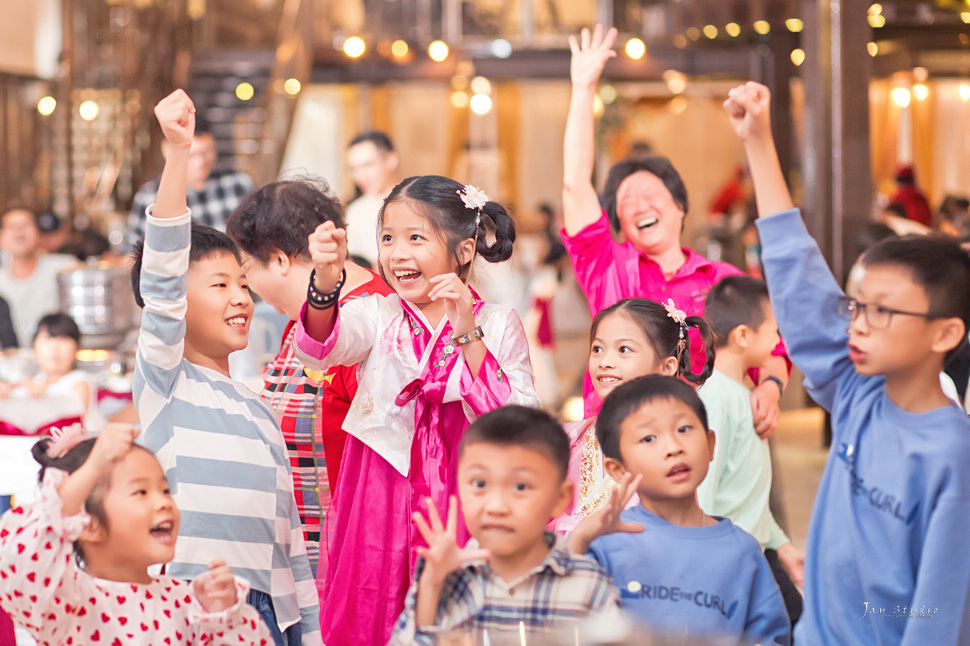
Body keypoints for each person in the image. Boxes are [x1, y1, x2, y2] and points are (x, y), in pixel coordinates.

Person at [727, 80, 970, 644]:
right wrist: (759, 142)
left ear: (947, 333)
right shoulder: (859, 391)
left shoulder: (953, 455)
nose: (857, 323)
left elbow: (939, 616)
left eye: (882, 312)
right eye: (856, 306)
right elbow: (799, 281)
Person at [295, 175, 537, 644]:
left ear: (463, 251)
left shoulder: (498, 322)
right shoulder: (379, 314)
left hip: (468, 499)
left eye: (415, 238)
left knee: (464, 618)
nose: (397, 254)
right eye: (387, 238)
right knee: (373, 611)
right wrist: (326, 283)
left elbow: (519, 421)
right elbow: (321, 347)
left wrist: (466, 329)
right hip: (379, 495)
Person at [129, 89, 320, 645]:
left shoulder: (260, 407)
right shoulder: (166, 382)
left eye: (243, 284)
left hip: (268, 611)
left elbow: (292, 547)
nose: (241, 297)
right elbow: (163, 277)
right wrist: (177, 153)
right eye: (219, 285)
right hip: (189, 594)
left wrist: (308, 633)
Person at [561, 25, 790, 429]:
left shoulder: (723, 282)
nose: (639, 205)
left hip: (699, 442)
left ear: (679, 207)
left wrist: (770, 387)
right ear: (618, 225)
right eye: (626, 203)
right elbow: (576, 185)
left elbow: (772, 343)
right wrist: (583, 87)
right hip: (616, 437)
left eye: (651, 194)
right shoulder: (606, 266)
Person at [225, 178, 393, 576]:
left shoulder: (375, 322)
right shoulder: (298, 324)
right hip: (307, 553)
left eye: (246, 270)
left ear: (281, 261)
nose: (248, 289)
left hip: (358, 557)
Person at [0, 422, 273, 644]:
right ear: (87, 523)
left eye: (165, 490)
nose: (164, 502)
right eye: (141, 492)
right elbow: (22, 554)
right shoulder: (69, 603)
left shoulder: (187, 601)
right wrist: (94, 467)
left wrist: (222, 619)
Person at [568, 375, 790, 644]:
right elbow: (558, 614)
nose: (673, 448)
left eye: (684, 429)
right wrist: (580, 538)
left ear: (710, 444)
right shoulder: (604, 544)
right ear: (618, 469)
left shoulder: (743, 552)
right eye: (649, 438)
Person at [389, 406, 619, 642]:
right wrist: (431, 587)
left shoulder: (587, 583)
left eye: (520, 486)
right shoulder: (447, 576)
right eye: (479, 484)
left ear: (559, 498)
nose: (496, 506)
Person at [552, 297, 714, 534]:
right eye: (597, 349)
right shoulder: (564, 440)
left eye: (624, 349)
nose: (605, 361)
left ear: (667, 367)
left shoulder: (671, 452)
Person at [698, 275, 803, 627]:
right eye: (773, 330)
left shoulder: (745, 391)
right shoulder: (717, 399)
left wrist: (781, 543)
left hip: (757, 550)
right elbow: (704, 490)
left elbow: (748, 490)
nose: (778, 340)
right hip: (730, 560)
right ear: (743, 336)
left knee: (795, 625)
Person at [125, 116, 254, 253]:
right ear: (167, 150)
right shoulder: (150, 196)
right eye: (192, 155)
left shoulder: (238, 184)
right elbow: (133, 253)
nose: (201, 162)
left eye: (207, 151)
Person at [6, 313, 105, 430]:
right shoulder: (32, 380)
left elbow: (69, 416)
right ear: (34, 347)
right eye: (47, 338)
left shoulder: (80, 381)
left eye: (63, 339)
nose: (54, 347)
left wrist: (40, 394)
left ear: (77, 347)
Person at [0, 208, 76, 346]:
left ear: (38, 233)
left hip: (56, 361)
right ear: (1, 238)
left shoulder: (64, 269)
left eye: (25, 225)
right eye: (11, 226)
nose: (19, 231)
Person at [344, 130, 399, 267]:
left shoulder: (419, 202)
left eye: (367, 165)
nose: (360, 176)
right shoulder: (355, 211)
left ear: (390, 160)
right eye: (353, 169)